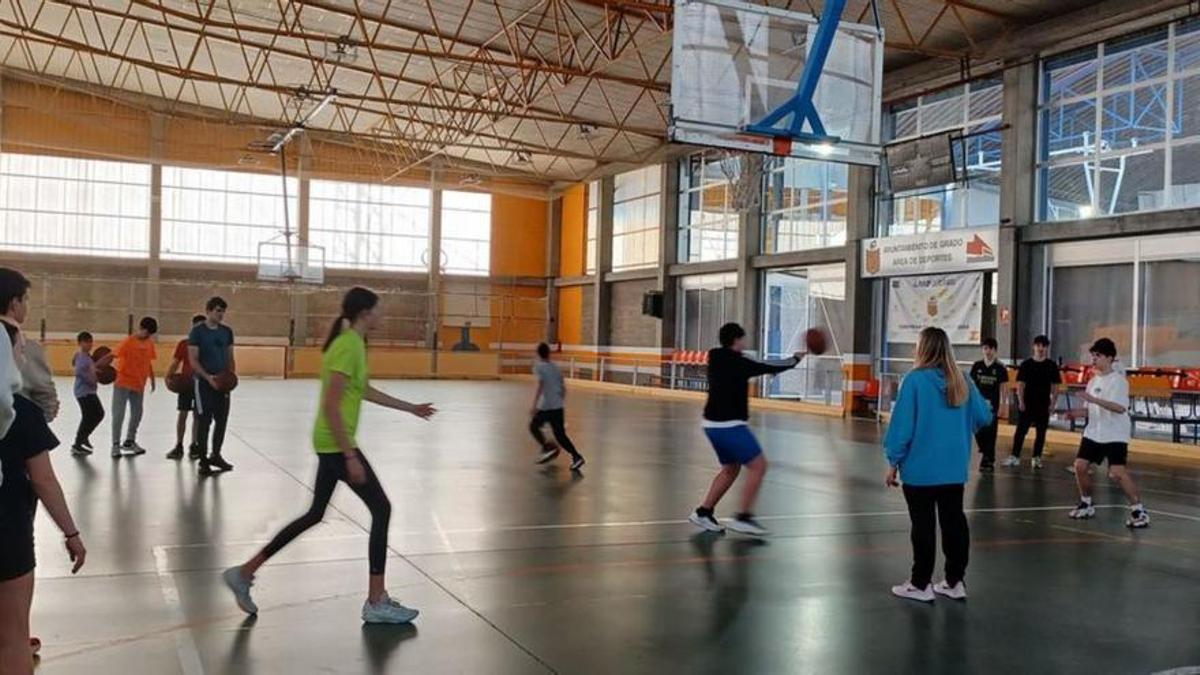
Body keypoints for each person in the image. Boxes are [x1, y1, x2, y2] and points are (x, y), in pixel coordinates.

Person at [222, 287, 436, 623]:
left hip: (332, 443)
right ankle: (375, 601)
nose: (383, 314)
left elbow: (362, 389)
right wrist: (350, 456)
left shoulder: (354, 344)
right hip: (336, 444)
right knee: (382, 508)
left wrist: (410, 408)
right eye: (379, 309)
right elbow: (331, 405)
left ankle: (245, 572)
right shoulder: (348, 345)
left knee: (315, 514)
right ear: (365, 312)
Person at [0, 268, 87, 675]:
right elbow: (44, 480)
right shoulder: (22, 414)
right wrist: (71, 534)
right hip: (8, 526)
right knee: (12, 636)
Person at [884, 327, 992, 603]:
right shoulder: (963, 379)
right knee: (954, 523)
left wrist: (893, 461)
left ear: (922, 349)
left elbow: (902, 428)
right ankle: (955, 581)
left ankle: (921, 583)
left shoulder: (914, 381)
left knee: (923, 526)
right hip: (954, 470)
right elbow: (984, 416)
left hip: (921, 471)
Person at [687, 322, 803, 537]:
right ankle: (744, 517)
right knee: (759, 466)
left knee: (731, 468)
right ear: (736, 340)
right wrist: (795, 359)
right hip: (730, 425)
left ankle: (704, 512)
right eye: (743, 339)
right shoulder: (739, 362)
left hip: (711, 425)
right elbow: (768, 365)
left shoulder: (715, 357)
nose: (745, 343)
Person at [1065, 338, 1149, 528]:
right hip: (1094, 432)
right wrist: (1075, 413)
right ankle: (1086, 503)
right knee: (1079, 466)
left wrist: (1093, 400)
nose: (1094, 359)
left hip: (1115, 433)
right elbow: (1090, 409)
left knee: (1117, 472)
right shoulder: (1093, 381)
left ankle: (1139, 510)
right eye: (1093, 356)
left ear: (1110, 358)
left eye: (1098, 356)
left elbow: (1119, 408)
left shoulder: (1119, 382)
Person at [0, 280, 58, 425]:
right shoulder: (27, 347)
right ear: (15, 303)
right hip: (16, 439)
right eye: (26, 299)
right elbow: (47, 400)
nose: (27, 306)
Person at [189, 298, 235, 476]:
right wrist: (208, 378)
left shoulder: (227, 332)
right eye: (217, 310)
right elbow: (193, 359)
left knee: (221, 421)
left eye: (223, 311)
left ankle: (216, 454)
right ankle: (203, 460)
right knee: (204, 422)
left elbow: (230, 357)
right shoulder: (197, 332)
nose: (221, 314)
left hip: (223, 384)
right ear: (208, 311)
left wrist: (229, 377)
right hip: (204, 384)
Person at [1003, 335, 1061, 469]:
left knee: (1041, 432)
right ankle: (1015, 456)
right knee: (1020, 431)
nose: (1040, 348)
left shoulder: (1051, 365)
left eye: (1043, 346)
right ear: (1034, 347)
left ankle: (1037, 457)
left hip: (1043, 405)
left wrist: (1053, 404)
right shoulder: (1026, 364)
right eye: (1038, 345)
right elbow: (1020, 385)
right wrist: (1021, 401)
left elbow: (1056, 386)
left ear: (1046, 348)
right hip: (1027, 404)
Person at [529, 342, 584, 471]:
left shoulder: (539, 367)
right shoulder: (556, 367)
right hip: (558, 407)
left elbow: (540, 385)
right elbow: (563, 389)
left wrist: (534, 405)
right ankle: (577, 457)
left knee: (533, 427)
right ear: (549, 353)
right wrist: (559, 403)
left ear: (538, 354)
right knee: (560, 435)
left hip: (546, 406)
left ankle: (548, 448)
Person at [111, 317, 158, 458]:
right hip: (123, 381)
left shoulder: (149, 343)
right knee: (118, 414)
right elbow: (112, 355)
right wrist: (96, 366)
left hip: (139, 383)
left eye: (150, 334)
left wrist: (152, 378)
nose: (147, 335)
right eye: (146, 332)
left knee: (137, 413)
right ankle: (115, 444)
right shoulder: (128, 342)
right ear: (141, 328)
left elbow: (148, 361)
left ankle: (130, 441)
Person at [166, 315, 205, 461]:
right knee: (183, 414)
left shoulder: (207, 345)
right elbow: (176, 362)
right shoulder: (184, 344)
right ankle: (179, 445)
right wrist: (168, 376)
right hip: (186, 384)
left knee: (197, 415)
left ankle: (194, 445)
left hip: (201, 385)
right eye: (197, 326)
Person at [969, 337, 1008, 472]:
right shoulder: (977, 366)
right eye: (985, 348)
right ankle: (984, 449)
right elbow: (971, 385)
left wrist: (1003, 405)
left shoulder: (1000, 368)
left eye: (991, 349)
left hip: (993, 407)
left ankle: (988, 460)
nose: (988, 351)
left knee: (991, 433)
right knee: (978, 430)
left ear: (995, 351)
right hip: (978, 406)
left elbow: (1004, 387)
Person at [71, 332, 111, 456]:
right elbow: (79, 372)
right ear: (80, 343)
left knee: (93, 415)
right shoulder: (82, 357)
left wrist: (97, 370)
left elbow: (91, 367)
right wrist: (92, 378)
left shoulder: (86, 356)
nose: (89, 344)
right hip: (83, 392)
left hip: (89, 391)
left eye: (90, 341)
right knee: (96, 414)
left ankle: (83, 438)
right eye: (86, 342)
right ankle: (78, 444)